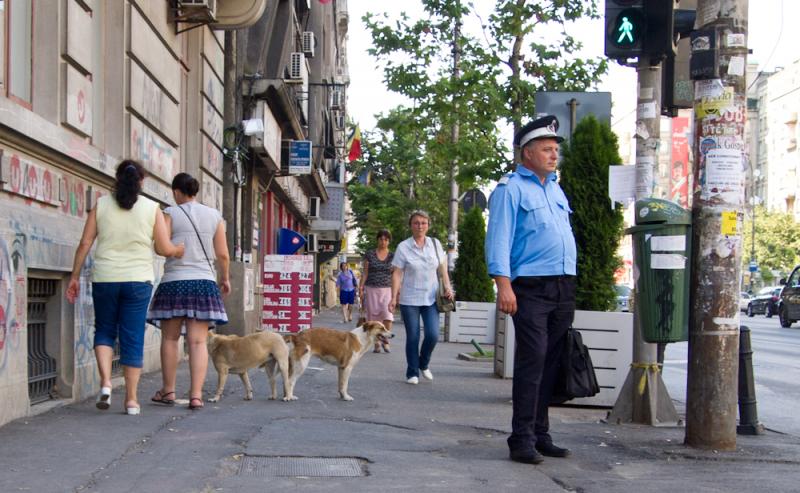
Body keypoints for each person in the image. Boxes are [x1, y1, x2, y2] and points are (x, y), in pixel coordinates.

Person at [485, 115, 576, 464]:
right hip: (530, 288)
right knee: (532, 360)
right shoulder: (510, 190)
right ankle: (520, 439)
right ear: (527, 153)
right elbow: (499, 240)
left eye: (556, 150)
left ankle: (541, 434)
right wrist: (503, 286)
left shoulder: (555, 188)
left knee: (551, 362)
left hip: (562, 285)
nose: (554, 156)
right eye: (547, 149)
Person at [66, 160, 185, 416]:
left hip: (105, 277)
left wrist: (74, 276)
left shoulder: (100, 205)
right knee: (132, 337)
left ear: (117, 179)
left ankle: (106, 383)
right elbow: (164, 249)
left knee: (105, 330)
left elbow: (85, 243)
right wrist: (177, 250)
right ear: (141, 182)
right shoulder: (152, 208)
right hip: (137, 281)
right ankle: (131, 400)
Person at [147, 173, 231, 411]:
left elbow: (161, 248)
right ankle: (196, 396)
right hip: (203, 283)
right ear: (195, 191)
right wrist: (224, 278)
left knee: (170, 338)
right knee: (197, 342)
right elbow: (223, 254)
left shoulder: (170, 213)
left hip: (174, 282)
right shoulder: (214, 216)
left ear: (176, 192)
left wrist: (175, 248)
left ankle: (168, 390)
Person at [389, 210, 453, 385]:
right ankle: (412, 372)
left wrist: (448, 288)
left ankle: (423, 363)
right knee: (413, 337)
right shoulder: (403, 247)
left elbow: (442, 269)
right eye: (416, 223)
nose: (420, 226)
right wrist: (393, 297)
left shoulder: (435, 244)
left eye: (423, 223)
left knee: (433, 335)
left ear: (428, 225)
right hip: (409, 299)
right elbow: (397, 274)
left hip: (431, 297)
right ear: (411, 225)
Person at [358, 229, 395, 353]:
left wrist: (397, 293)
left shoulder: (393, 256)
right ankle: (377, 342)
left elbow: (396, 275)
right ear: (377, 240)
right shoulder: (370, 254)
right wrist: (361, 288)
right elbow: (365, 272)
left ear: (389, 241)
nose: (383, 242)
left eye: (386, 239)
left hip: (387, 289)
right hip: (371, 289)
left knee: (388, 316)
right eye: (381, 239)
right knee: (373, 318)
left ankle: (386, 340)